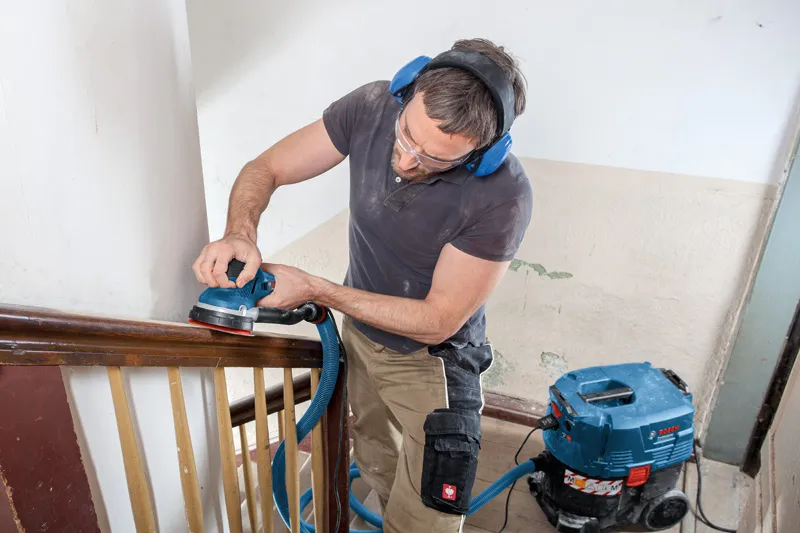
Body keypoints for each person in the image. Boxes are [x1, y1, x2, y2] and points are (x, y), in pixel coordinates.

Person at [193, 38, 533, 532]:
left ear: (482, 154)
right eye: (407, 137)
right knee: (374, 453)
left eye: (435, 160)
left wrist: (317, 289)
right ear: (407, 90)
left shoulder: (503, 195)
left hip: (433, 363)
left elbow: (438, 320)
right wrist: (240, 233)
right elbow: (264, 169)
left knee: (431, 511)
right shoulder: (373, 105)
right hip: (363, 336)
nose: (407, 160)